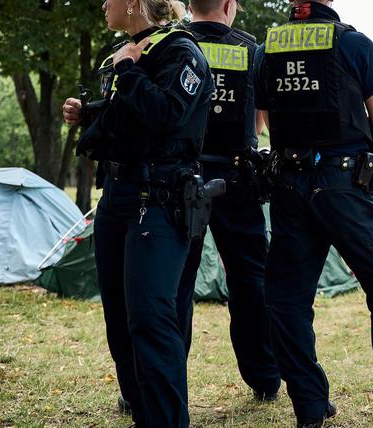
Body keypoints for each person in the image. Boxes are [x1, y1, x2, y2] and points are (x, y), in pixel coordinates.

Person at [253, 1, 373, 426]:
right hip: (344, 185)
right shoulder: (354, 43)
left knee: (287, 298)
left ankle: (309, 404)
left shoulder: (266, 49)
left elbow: (261, 122)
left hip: (289, 185)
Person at [60, 0, 212, 426]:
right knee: (120, 316)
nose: (103, 5)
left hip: (159, 198)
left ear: (133, 3)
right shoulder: (124, 52)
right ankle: (139, 406)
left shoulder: (180, 50)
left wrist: (127, 70)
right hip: (117, 197)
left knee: (150, 316)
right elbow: (129, 117)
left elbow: (167, 114)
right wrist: (88, 113)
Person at [177, 0, 281, 403]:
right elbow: (259, 121)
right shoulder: (251, 50)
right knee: (251, 279)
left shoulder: (172, 43)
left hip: (181, 177)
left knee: (175, 281)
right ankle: (265, 378)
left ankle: (162, 379)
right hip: (237, 177)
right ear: (228, 5)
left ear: (190, 6)